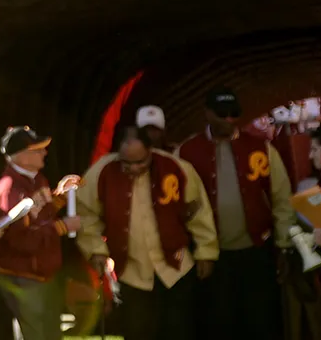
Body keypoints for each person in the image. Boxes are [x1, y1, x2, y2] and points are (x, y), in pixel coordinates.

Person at [76, 125, 218, 340]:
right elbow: (86, 216)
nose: (133, 168)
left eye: (140, 162)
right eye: (127, 163)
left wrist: (206, 251)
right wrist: (95, 249)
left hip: (176, 267)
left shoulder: (176, 168)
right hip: (131, 271)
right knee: (138, 332)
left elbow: (198, 210)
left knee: (179, 331)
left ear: (151, 151)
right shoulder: (101, 172)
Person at [176, 90, 293, 340]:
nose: (229, 120)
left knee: (261, 322)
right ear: (207, 114)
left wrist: (282, 245)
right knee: (219, 323)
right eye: (222, 114)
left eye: (234, 114)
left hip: (257, 250)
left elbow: (281, 199)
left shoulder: (261, 148)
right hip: (211, 257)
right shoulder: (187, 151)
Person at [0, 127, 78, 340]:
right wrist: (62, 227)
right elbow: (20, 240)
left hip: (41, 275)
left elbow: (42, 214)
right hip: (24, 278)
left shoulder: (37, 180)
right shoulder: (10, 189)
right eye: (38, 150)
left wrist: (61, 195)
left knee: (50, 334)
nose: (45, 153)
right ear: (21, 155)